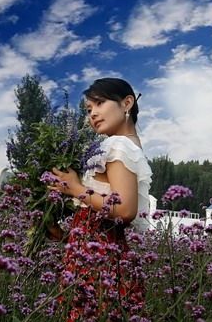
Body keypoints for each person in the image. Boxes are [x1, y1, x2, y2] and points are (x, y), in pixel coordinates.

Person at [48, 78, 152, 321]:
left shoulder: (118, 145)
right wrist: (65, 237)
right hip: (98, 255)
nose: (92, 114)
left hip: (100, 263)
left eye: (99, 103)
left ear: (127, 103)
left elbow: (125, 209)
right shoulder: (128, 146)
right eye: (88, 109)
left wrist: (75, 188)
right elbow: (105, 220)